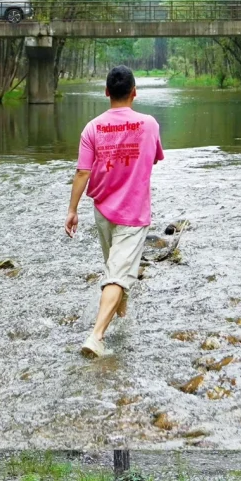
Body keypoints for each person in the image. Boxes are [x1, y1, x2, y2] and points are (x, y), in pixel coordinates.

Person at [65, 65, 164, 358]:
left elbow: (82, 172)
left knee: (115, 268)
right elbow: (153, 158)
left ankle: (121, 315)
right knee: (117, 275)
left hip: (102, 211)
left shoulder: (92, 128)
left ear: (107, 92)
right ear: (134, 92)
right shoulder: (149, 124)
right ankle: (96, 336)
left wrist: (72, 210)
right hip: (133, 214)